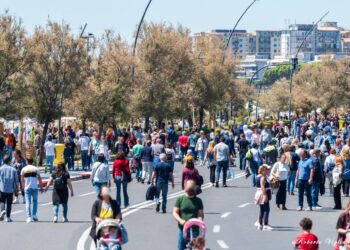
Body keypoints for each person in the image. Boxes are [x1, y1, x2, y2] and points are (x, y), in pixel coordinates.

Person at [173, 180, 204, 250]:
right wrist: (180, 220)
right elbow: (175, 212)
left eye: (192, 189)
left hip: (194, 230)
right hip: (183, 229)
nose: (190, 191)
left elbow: (200, 214)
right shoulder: (180, 199)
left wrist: (199, 219)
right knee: (181, 248)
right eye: (189, 189)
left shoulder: (198, 201)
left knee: (197, 248)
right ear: (185, 188)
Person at [21, 157, 43, 223]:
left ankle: (29, 217)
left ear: (27, 161)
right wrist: (41, 187)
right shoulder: (36, 169)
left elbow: (22, 179)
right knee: (35, 202)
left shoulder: (24, 169)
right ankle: (34, 215)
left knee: (28, 202)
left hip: (27, 188)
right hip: (35, 187)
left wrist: (22, 187)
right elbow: (39, 178)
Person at [0, 156, 18, 222]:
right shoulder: (13, 169)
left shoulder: (1, 169)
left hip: (2, 188)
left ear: (3, 161)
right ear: (9, 161)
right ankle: (8, 217)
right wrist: (16, 189)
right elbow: (16, 180)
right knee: (9, 203)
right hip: (10, 189)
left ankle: (2, 210)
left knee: (2, 201)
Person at [256, 165, 272, 231]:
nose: (267, 171)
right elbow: (263, 187)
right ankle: (265, 225)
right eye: (265, 170)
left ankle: (260, 224)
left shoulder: (258, 176)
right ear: (262, 171)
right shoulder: (262, 177)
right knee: (266, 209)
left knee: (262, 209)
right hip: (263, 193)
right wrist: (265, 196)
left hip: (259, 192)